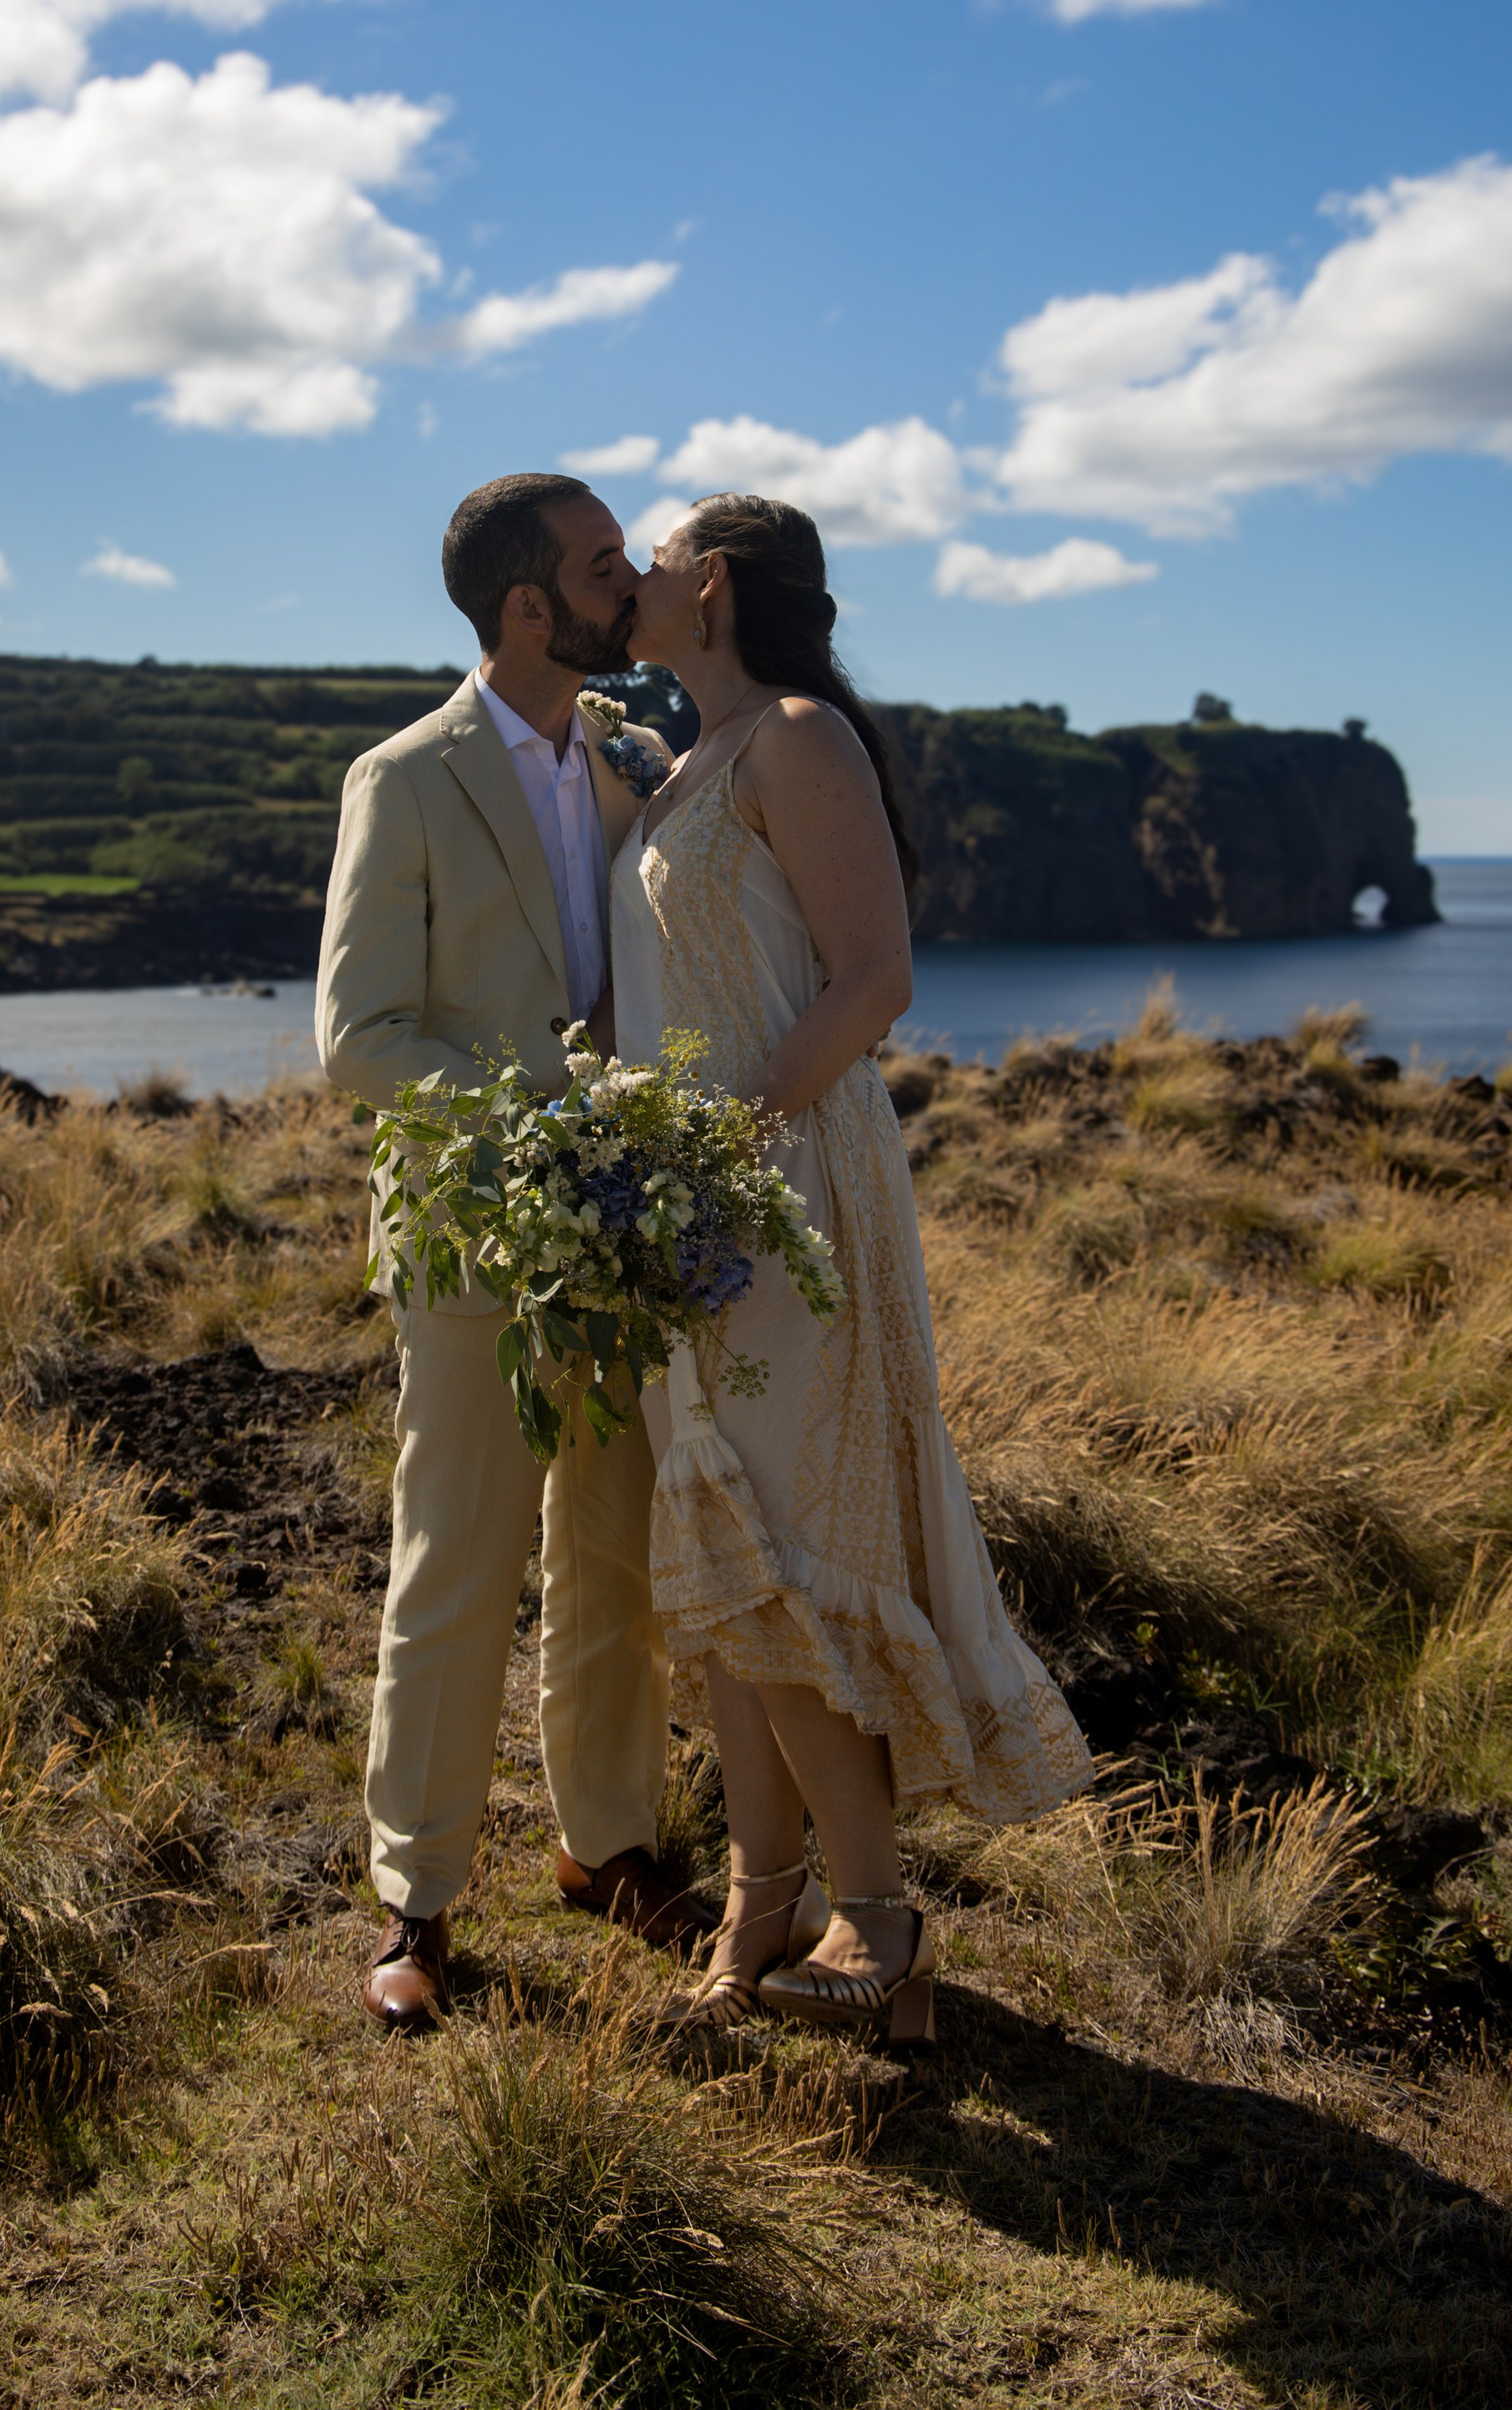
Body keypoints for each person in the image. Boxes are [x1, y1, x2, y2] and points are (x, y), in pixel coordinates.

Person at [610, 492, 1093, 2045]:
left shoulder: (802, 739)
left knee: (785, 1535)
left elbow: (876, 980)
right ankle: (768, 1898)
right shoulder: (690, 758)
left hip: (785, 1180)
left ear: (720, 585)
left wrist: (715, 1143)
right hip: (694, 1192)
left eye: (662, 558)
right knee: (723, 1536)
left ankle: (877, 1925)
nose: (636, 578)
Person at [317, 473, 711, 2029]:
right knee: (455, 1565)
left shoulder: (635, 755)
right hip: (478, 1229)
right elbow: (357, 1039)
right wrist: (552, 1107)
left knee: (614, 1558)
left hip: (616, 1232)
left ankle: (608, 1843)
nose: (633, 583)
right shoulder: (402, 779)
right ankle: (417, 1900)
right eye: (607, 565)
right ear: (530, 607)